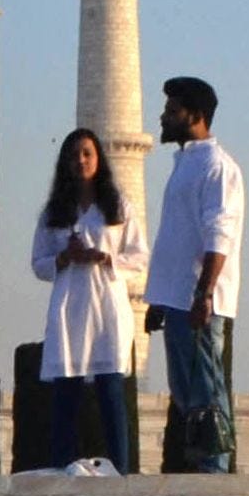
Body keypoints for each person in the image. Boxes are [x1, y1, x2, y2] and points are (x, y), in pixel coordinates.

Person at [28, 128, 146, 476]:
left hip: (107, 308)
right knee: (66, 396)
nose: (81, 160)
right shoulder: (54, 212)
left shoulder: (118, 207)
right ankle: (62, 474)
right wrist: (63, 259)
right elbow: (39, 263)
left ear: (99, 159)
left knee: (111, 394)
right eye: (75, 154)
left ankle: (121, 474)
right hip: (70, 309)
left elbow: (139, 257)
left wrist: (103, 256)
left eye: (87, 154)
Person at [142, 76, 242, 473]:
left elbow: (220, 235)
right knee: (186, 395)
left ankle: (215, 472)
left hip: (201, 302)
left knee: (207, 395)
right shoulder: (186, 164)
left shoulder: (218, 167)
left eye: (172, 111)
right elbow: (176, 241)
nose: (163, 118)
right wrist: (160, 300)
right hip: (178, 299)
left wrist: (204, 295)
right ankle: (202, 469)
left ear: (196, 116)